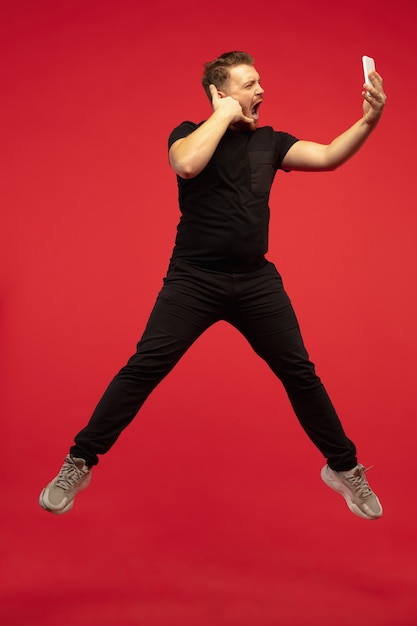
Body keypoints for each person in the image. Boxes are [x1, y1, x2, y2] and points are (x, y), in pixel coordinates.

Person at [39, 51, 386, 520]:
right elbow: (185, 165)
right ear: (220, 94)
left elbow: (326, 156)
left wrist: (370, 119)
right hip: (195, 280)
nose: (261, 90)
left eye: (260, 81)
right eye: (248, 84)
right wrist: (223, 113)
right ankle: (78, 461)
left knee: (300, 373)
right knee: (145, 367)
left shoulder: (270, 143)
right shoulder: (187, 133)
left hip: (255, 280)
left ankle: (344, 469)